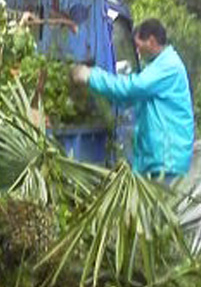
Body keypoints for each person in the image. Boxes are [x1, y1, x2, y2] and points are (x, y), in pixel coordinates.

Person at [69, 18, 194, 178]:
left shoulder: (167, 67)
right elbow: (129, 97)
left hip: (167, 158)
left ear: (151, 41)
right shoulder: (157, 65)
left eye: (138, 45)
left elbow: (131, 88)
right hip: (160, 157)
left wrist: (91, 76)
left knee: (158, 201)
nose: (137, 50)